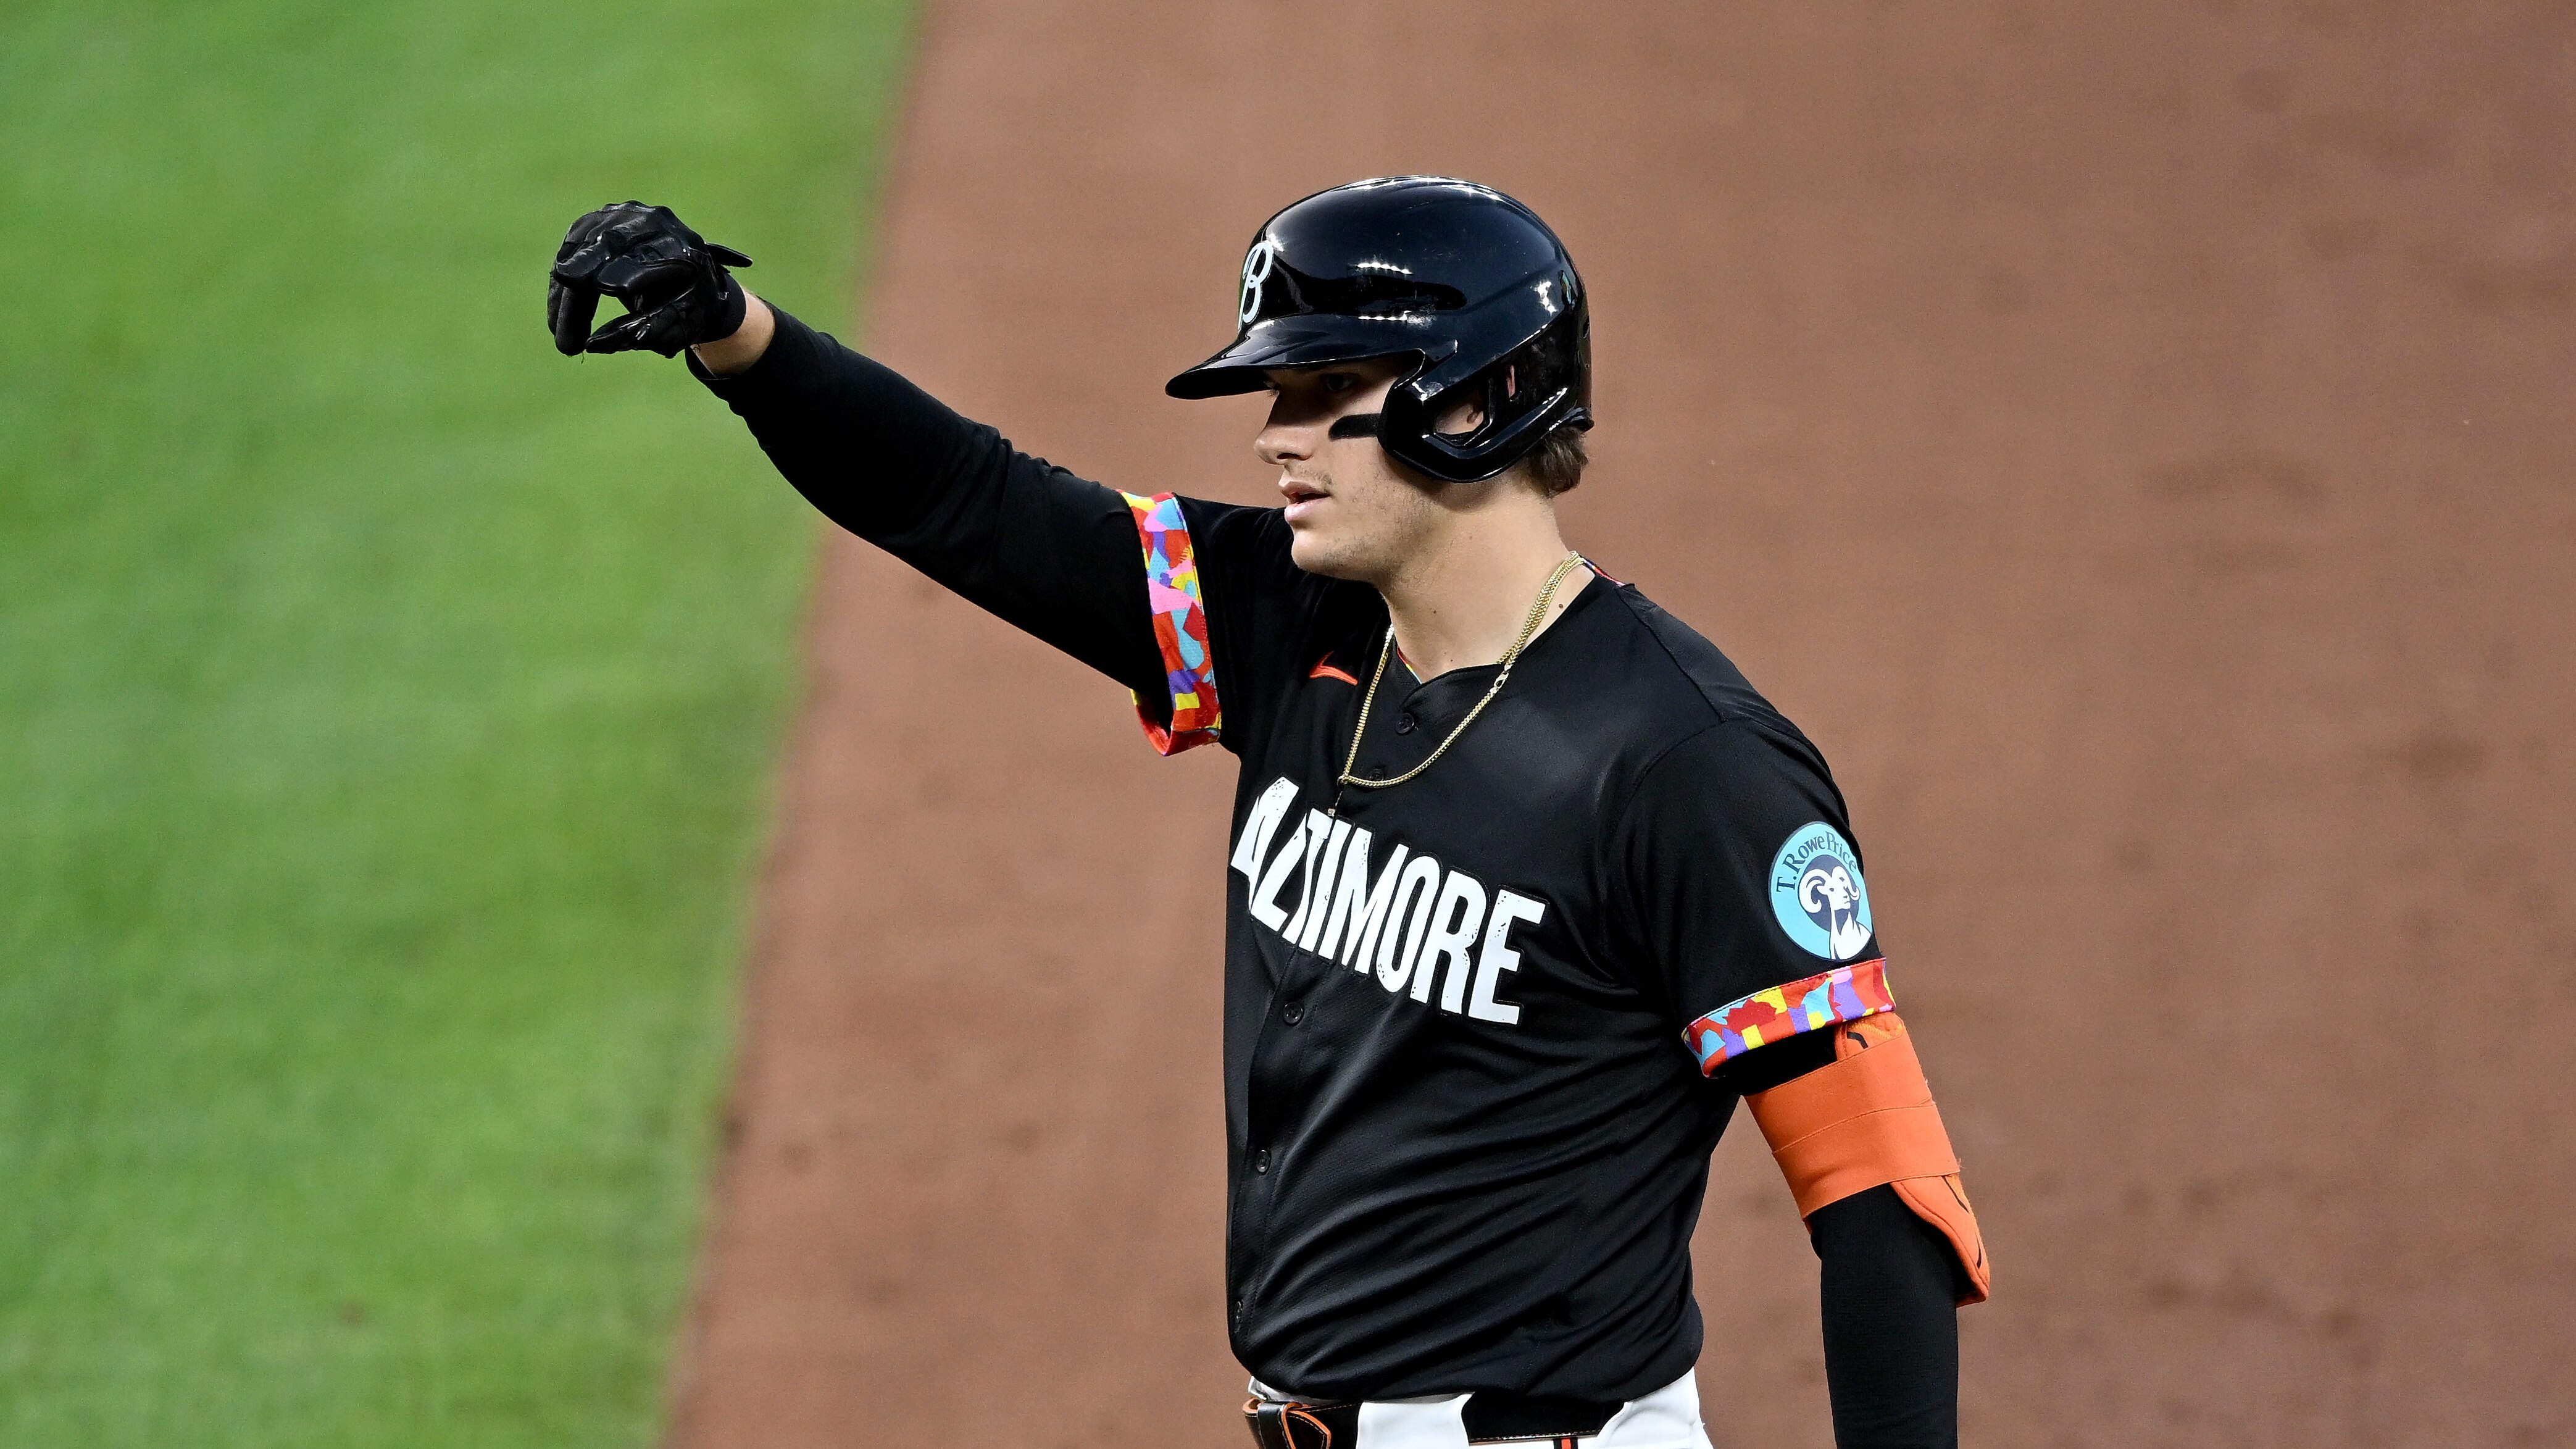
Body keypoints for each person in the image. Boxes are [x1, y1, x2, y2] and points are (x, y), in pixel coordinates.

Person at [547, 177, 1989, 1449]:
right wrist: (734, 333)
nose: (1275, 439)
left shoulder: (1686, 763)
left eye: (1322, 392)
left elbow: (1877, 1188)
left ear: (1479, 397)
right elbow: (970, 501)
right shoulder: (1285, 621)